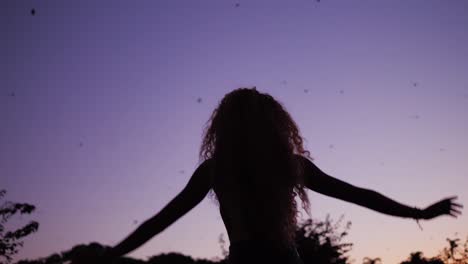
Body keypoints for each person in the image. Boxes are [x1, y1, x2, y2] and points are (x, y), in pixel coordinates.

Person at [72, 87, 463, 264]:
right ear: (276, 125)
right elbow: (360, 195)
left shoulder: (216, 170)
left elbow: (160, 221)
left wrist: (112, 253)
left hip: (245, 260)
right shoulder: (289, 166)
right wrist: (419, 213)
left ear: (221, 128)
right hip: (282, 259)